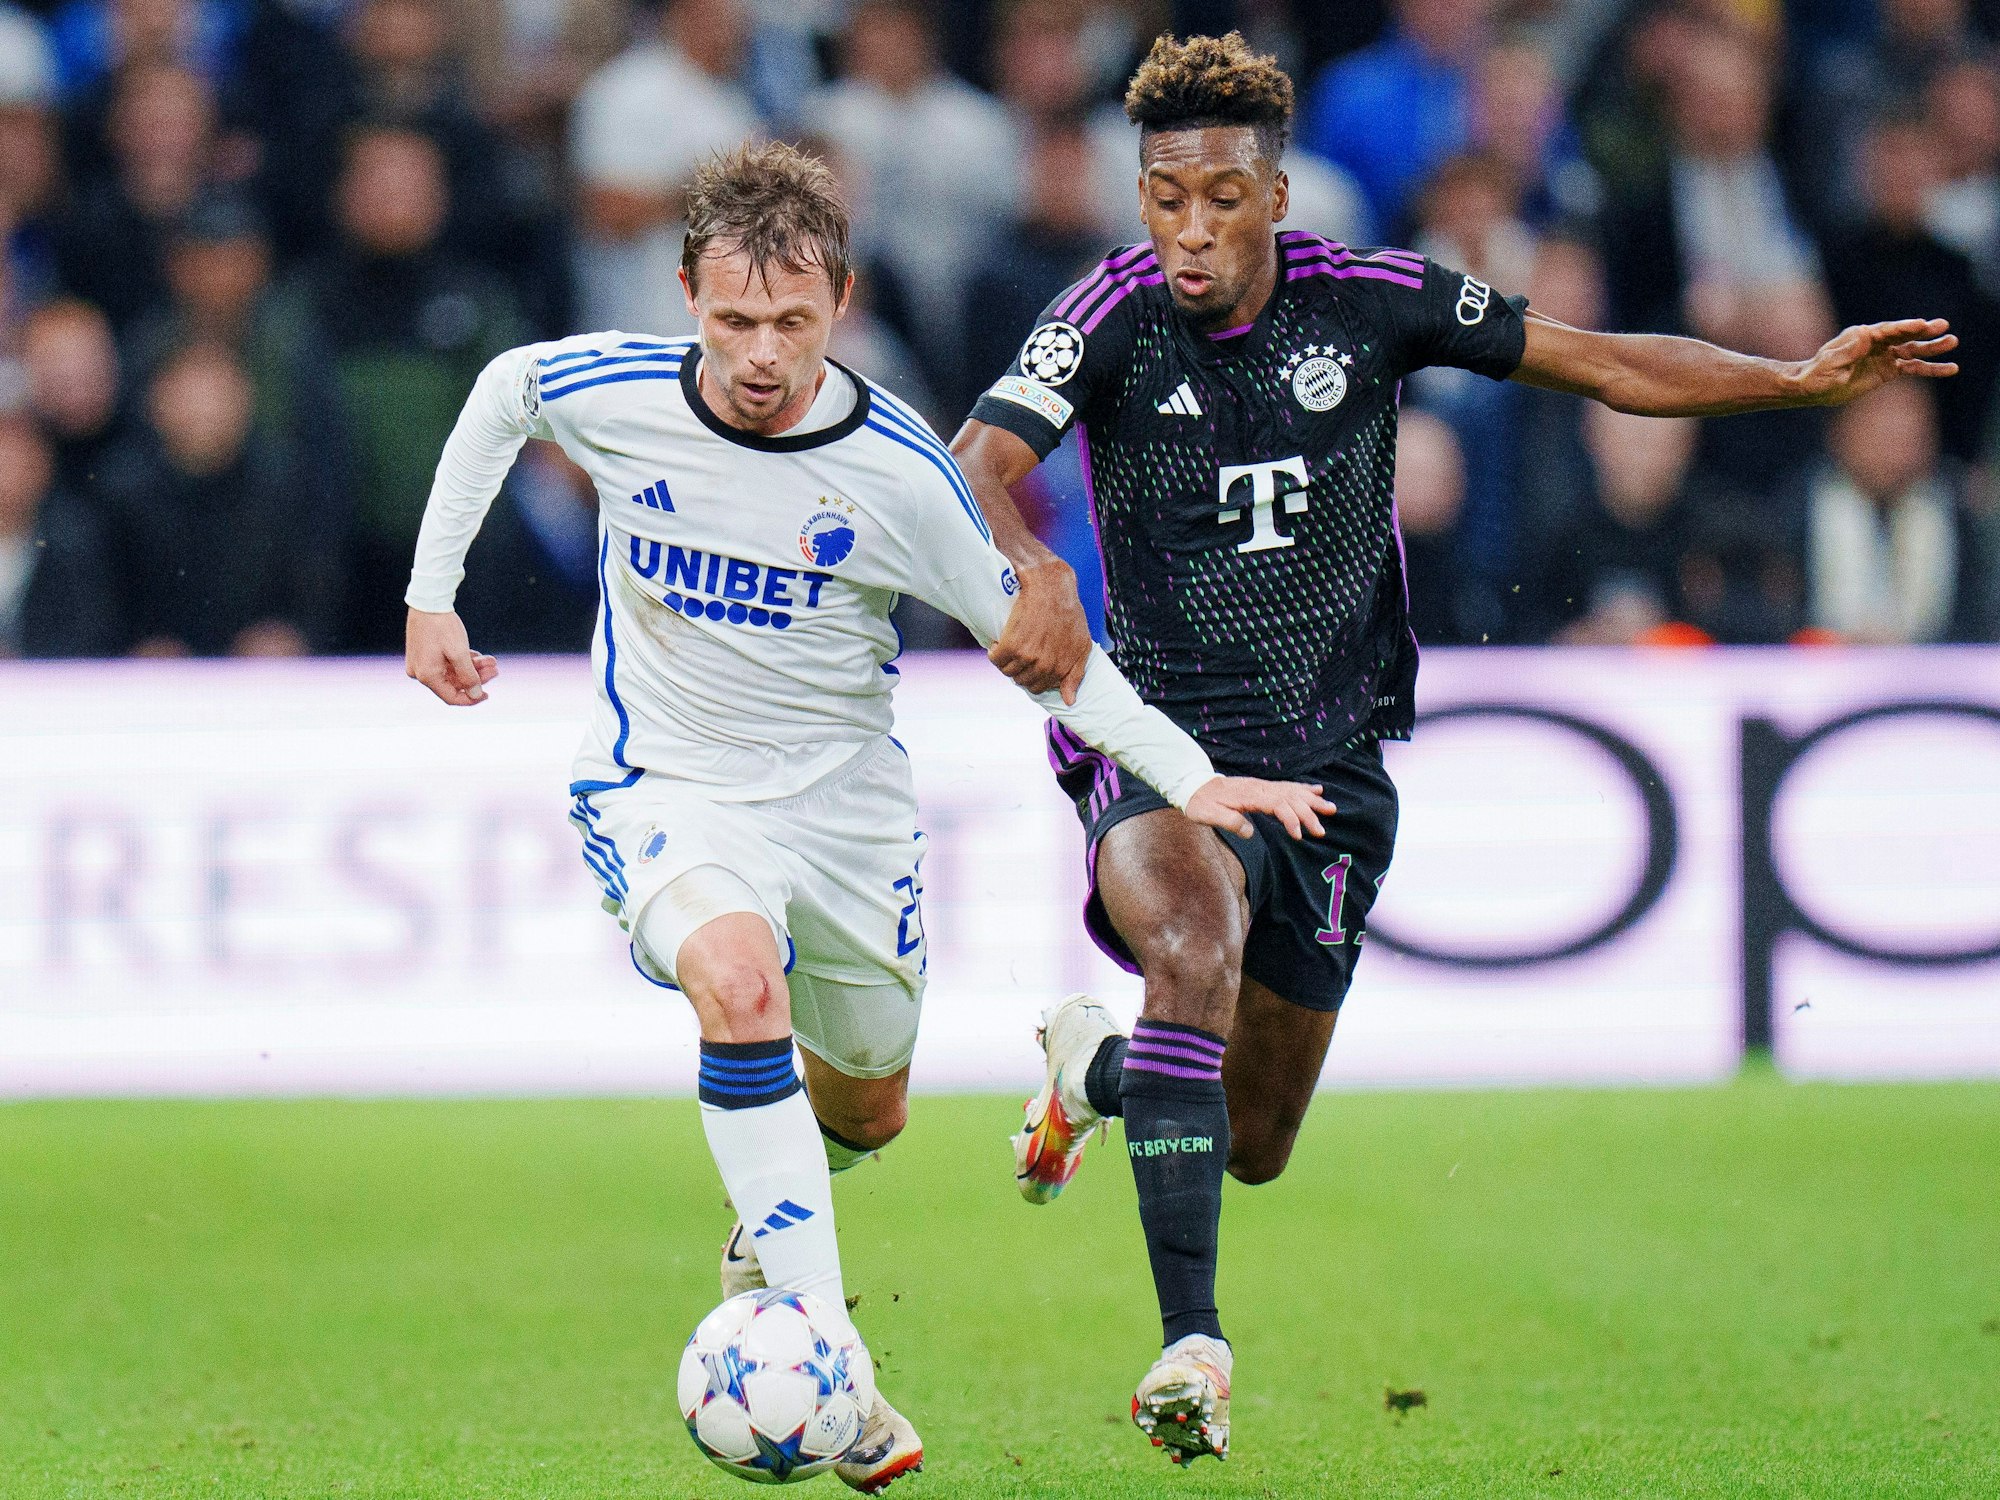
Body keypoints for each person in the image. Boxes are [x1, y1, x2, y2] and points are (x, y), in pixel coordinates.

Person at [947, 30, 1961, 1467]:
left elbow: (1600, 365)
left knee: (1256, 1137)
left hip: (1336, 762)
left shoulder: (1373, 301)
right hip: (1161, 740)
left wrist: (1789, 382)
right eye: (1162, 197)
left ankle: (1099, 1074)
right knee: (1193, 948)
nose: (1187, 230)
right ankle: (1191, 1347)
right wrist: (1030, 574)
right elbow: (968, 466)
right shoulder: (1105, 313)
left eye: (1219, 198)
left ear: (1279, 198)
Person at [400, 141, 1331, 1492]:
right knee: (736, 980)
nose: (760, 353)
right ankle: (833, 1359)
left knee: (872, 1110)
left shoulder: (900, 475)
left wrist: (1190, 778)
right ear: (685, 295)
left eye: (790, 320)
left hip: (846, 821)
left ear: (841, 297)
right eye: (730, 320)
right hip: (669, 790)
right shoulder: (612, 389)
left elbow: (1055, 663)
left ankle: (773, 1238)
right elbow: (502, 394)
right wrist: (435, 592)